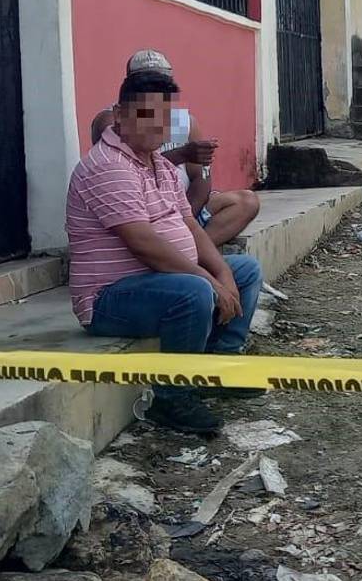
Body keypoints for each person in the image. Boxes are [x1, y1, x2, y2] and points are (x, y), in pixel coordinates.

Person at [68, 71, 264, 434]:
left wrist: (221, 273)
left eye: (163, 116)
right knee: (194, 291)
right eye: (145, 115)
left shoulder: (158, 164)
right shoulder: (107, 166)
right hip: (110, 297)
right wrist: (209, 280)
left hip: (157, 282)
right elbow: (143, 244)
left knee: (245, 271)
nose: (156, 125)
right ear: (120, 115)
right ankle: (172, 398)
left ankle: (220, 366)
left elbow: (190, 225)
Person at [89, 51, 260, 247]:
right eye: (147, 80)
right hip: (140, 213)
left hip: (182, 207)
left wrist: (182, 218)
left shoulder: (184, 120)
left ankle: (189, 254)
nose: (156, 87)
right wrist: (183, 154)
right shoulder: (114, 119)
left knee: (247, 202)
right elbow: (132, 168)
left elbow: (201, 178)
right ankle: (185, 255)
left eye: (162, 81)